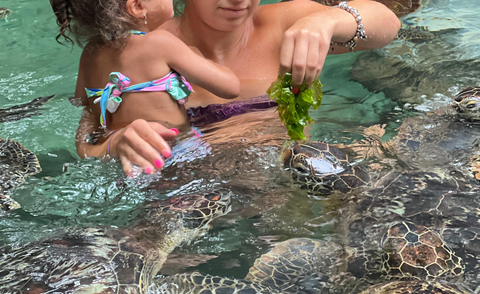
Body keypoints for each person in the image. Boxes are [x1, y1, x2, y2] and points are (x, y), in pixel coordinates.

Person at [73, 0, 401, 174]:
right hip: (197, 208)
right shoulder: (140, 54)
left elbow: (387, 23)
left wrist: (326, 21)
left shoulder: (283, 25)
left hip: (295, 192)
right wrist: (114, 144)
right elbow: (89, 138)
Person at [50, 0, 241, 174]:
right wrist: (195, 54)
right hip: (175, 154)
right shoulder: (160, 43)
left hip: (122, 163)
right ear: (137, 6)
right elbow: (230, 87)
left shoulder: (89, 53)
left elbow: (82, 106)